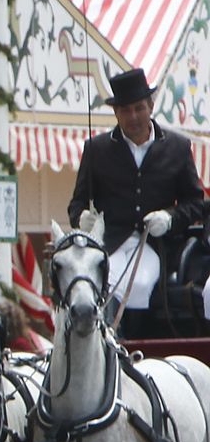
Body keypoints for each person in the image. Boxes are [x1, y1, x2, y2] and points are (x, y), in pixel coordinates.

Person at [67, 67, 208, 337]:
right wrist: (81, 218)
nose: (133, 117)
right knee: (93, 283)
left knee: (139, 283)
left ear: (151, 106)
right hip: (111, 243)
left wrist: (170, 218)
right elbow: (77, 203)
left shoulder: (177, 147)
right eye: (126, 110)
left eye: (139, 108)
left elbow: (195, 202)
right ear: (116, 113)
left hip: (157, 246)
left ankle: (135, 342)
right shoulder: (97, 150)